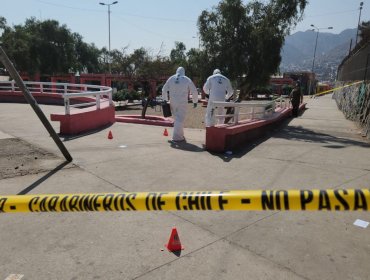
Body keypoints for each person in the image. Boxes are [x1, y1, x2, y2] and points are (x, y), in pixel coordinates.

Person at [162, 66, 198, 142]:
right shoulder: (186, 79)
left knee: (177, 118)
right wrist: (195, 101)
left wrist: (165, 100)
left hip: (173, 101)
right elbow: (194, 91)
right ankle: (177, 137)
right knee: (180, 118)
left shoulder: (171, 78)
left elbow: (164, 89)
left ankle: (180, 135)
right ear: (183, 72)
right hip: (182, 101)